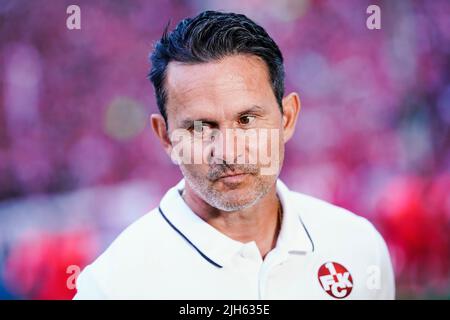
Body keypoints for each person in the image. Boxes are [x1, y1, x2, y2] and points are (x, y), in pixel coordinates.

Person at [74, 10, 395, 299]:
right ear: (166, 137)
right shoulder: (113, 287)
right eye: (201, 127)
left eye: (246, 120)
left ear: (287, 118)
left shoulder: (358, 246)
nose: (227, 151)